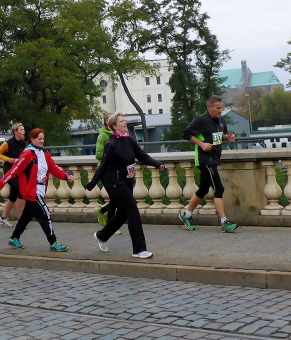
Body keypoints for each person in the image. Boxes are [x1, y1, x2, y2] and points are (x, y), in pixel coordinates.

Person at [86, 113, 164, 258]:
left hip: (127, 181)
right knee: (133, 212)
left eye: (124, 120)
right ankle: (139, 250)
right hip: (114, 182)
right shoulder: (111, 144)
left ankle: (102, 236)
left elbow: (142, 156)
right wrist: (92, 183)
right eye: (121, 121)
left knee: (122, 214)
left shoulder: (130, 141)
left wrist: (157, 164)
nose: (125, 123)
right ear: (114, 126)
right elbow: (103, 166)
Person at [0, 128, 73, 252]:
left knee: (26, 217)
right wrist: (1, 183)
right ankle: (53, 242)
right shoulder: (27, 154)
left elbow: (53, 168)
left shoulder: (44, 153)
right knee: (45, 214)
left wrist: (65, 176)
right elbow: (14, 170)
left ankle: (14, 238)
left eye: (43, 139)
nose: (42, 141)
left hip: (40, 190)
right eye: (39, 139)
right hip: (31, 191)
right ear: (32, 139)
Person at [178, 96, 239, 233]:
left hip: (214, 158)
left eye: (222, 108)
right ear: (209, 108)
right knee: (219, 188)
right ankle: (224, 222)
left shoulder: (221, 120)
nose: (221, 110)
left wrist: (227, 138)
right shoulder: (200, 120)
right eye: (218, 108)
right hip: (205, 160)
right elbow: (186, 134)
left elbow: (218, 137)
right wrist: (201, 144)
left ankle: (186, 214)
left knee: (203, 190)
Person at [0, 123, 27, 227]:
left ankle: (3, 218)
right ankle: (20, 219)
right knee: (20, 190)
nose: (23, 131)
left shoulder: (23, 143)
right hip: (9, 170)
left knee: (13, 194)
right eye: (21, 130)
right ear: (15, 132)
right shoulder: (7, 143)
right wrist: (9, 159)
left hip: (19, 170)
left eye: (23, 129)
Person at [94, 113, 114, 227]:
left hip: (117, 171)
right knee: (115, 198)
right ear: (107, 122)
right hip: (105, 171)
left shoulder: (119, 134)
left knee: (118, 198)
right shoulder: (102, 136)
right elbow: (98, 154)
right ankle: (111, 225)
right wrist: (113, 157)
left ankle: (102, 212)